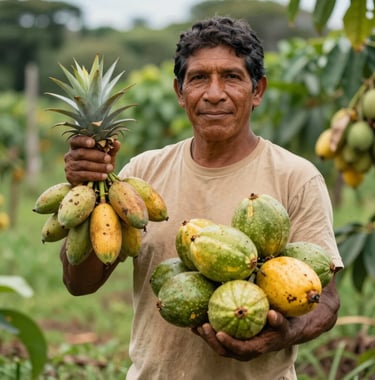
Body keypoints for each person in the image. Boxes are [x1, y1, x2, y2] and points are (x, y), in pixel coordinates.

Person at [61, 16, 343, 380]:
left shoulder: (296, 176)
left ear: (258, 91)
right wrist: (86, 192)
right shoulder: (140, 176)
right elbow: (79, 284)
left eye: (231, 76)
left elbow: (327, 301)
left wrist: (281, 336)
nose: (214, 93)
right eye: (198, 78)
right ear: (180, 92)